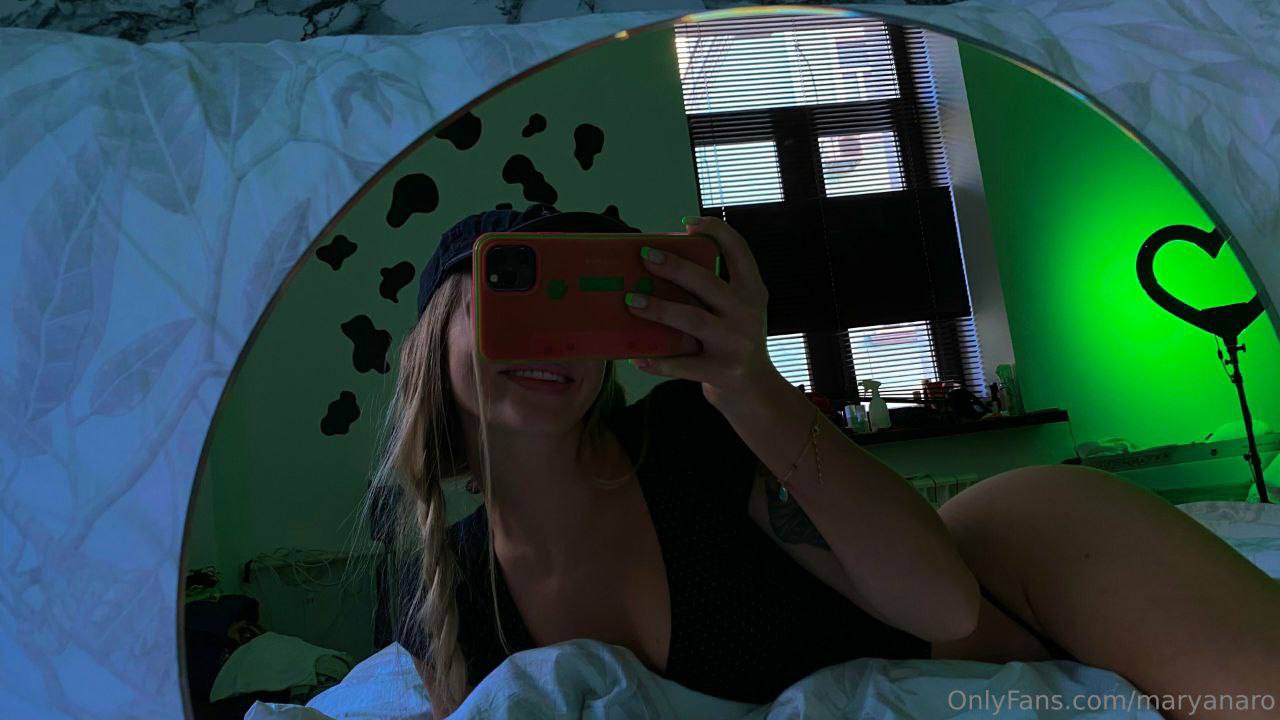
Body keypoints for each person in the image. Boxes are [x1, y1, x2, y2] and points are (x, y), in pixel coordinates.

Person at [377, 204, 1279, 719]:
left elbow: (944, 604)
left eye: (583, 308)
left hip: (1028, 560)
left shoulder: (687, 432)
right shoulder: (440, 590)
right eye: (512, 301)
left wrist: (748, 382)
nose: (554, 342)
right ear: (432, 340)